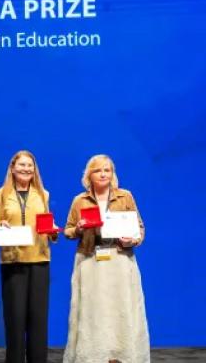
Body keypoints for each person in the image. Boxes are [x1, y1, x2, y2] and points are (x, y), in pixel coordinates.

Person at [63, 154, 150, 363]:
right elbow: (67, 230)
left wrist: (133, 240)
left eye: (107, 170)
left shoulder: (125, 196)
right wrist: (79, 228)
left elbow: (139, 228)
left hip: (120, 260)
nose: (103, 174)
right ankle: (94, 356)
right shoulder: (80, 200)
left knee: (121, 311)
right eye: (97, 170)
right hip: (90, 261)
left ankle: (120, 356)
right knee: (94, 313)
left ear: (112, 174)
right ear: (89, 175)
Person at [0, 150, 57, 363]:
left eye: (30, 165)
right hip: (13, 262)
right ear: (13, 168)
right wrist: (0, 225)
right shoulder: (1, 195)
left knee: (38, 319)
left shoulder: (43, 194)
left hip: (39, 260)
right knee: (15, 319)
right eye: (22, 165)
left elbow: (46, 225)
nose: (26, 169)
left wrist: (53, 231)